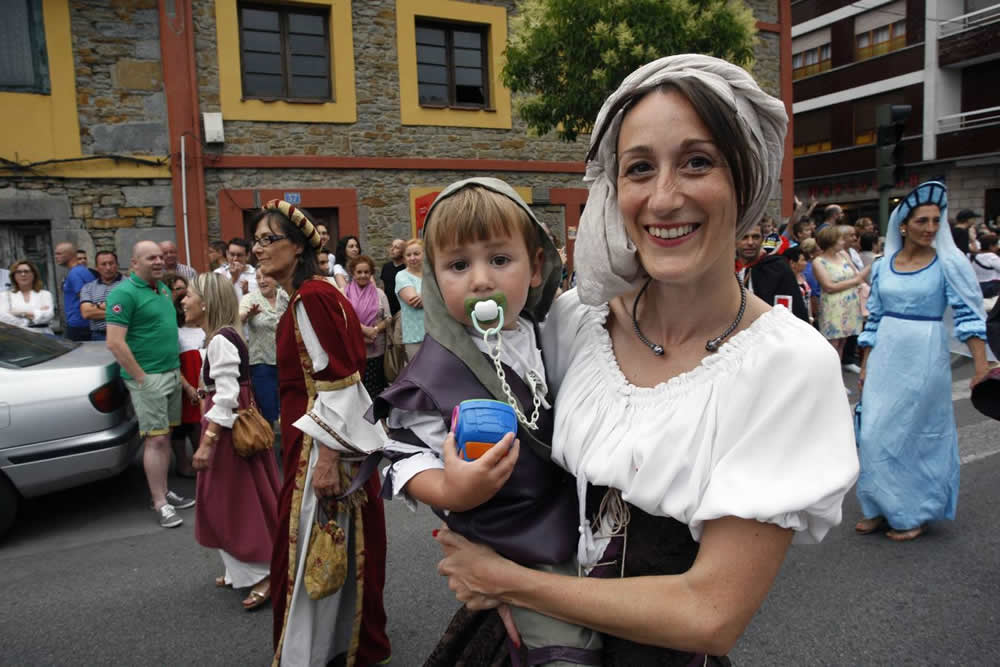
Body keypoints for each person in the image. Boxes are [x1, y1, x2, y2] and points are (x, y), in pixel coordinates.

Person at [431, 54, 859, 665]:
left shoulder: (788, 366)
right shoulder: (578, 318)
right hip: (530, 637)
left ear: (745, 179)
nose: (663, 197)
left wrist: (506, 580)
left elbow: (709, 613)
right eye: (639, 168)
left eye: (697, 162)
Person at [374, 178, 600, 665]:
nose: (480, 280)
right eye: (458, 265)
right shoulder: (435, 371)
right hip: (514, 544)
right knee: (566, 651)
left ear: (536, 266)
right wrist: (453, 490)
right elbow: (402, 456)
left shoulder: (548, 333)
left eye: (499, 260)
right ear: (433, 279)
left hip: (582, 527)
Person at [253, 201, 391, 667]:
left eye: (268, 240)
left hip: (319, 446)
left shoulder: (312, 297)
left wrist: (328, 460)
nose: (258, 249)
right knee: (337, 548)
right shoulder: (317, 293)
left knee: (313, 548)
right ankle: (340, 646)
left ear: (297, 247)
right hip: (317, 439)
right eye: (256, 240)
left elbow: (339, 380)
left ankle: (310, 654)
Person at [855, 181, 989, 541]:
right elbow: (875, 316)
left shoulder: (947, 265)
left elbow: (968, 315)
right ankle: (879, 505)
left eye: (935, 221)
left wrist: (981, 366)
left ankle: (910, 512)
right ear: (903, 224)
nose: (930, 228)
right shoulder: (883, 266)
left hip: (924, 354)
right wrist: (866, 363)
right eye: (922, 221)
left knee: (912, 435)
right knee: (872, 433)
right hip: (885, 353)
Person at [184, 272, 281, 609]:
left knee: (233, 502)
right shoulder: (218, 337)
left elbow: (226, 396)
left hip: (227, 432)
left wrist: (208, 442)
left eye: (189, 295)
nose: (183, 300)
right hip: (226, 426)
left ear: (206, 303)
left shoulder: (220, 341)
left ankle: (264, 572)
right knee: (232, 499)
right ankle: (240, 569)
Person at [106, 241, 194, 528]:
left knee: (165, 436)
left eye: (160, 256)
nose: (158, 261)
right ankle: (159, 502)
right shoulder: (123, 293)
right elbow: (115, 342)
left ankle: (164, 490)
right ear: (134, 264)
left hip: (170, 373)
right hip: (149, 378)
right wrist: (142, 380)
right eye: (150, 258)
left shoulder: (164, 289)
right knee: (156, 440)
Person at [812, 226, 869, 362]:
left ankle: (839, 375)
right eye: (840, 239)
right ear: (831, 241)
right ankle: (830, 375)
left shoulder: (843, 254)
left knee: (843, 342)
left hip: (850, 305)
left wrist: (870, 267)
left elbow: (856, 274)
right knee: (833, 344)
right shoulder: (818, 262)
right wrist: (854, 281)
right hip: (833, 307)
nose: (843, 242)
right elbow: (829, 287)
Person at [239, 269, 288, 425]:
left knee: (289, 409)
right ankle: (271, 447)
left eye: (265, 276)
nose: (261, 281)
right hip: (262, 364)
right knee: (268, 413)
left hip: (287, 362)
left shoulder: (284, 295)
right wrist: (248, 315)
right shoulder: (250, 298)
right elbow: (238, 319)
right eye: (258, 278)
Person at [736, 222, 809, 321]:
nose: (750, 242)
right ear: (735, 240)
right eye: (744, 237)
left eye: (755, 237)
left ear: (762, 240)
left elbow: (793, 310)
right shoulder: (728, 271)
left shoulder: (777, 268)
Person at [344, 255, 392, 399]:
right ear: (353, 273)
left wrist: (376, 330)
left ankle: (376, 419)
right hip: (353, 349)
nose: (363, 275)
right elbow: (343, 318)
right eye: (359, 272)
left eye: (366, 272)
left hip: (376, 349)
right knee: (356, 389)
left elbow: (389, 318)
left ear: (371, 273)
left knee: (375, 387)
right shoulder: (344, 293)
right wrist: (364, 330)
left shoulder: (379, 294)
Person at [170, 274, 202, 480]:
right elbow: (173, 362)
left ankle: (201, 461)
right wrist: (188, 387)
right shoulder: (175, 331)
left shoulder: (203, 328)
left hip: (201, 383)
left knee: (200, 423)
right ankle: (182, 464)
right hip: (184, 384)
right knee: (181, 427)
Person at [79, 251, 125, 341]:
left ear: (117, 265)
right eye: (103, 264)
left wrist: (98, 306)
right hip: (99, 336)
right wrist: (118, 311)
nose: (108, 268)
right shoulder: (88, 287)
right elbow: (87, 313)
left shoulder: (130, 284)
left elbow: (133, 310)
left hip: (126, 334)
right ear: (97, 267)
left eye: (111, 263)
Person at [1, 260, 54, 334]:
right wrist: (27, 321)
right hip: (21, 337)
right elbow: (3, 318)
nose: (23, 274)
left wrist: (21, 313)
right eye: (18, 272)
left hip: (45, 335)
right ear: (14, 276)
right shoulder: (5, 295)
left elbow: (48, 315)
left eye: (26, 271)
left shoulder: (45, 294)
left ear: (34, 274)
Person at [57, 241, 95, 341]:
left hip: (78, 325)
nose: (56, 257)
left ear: (69, 255)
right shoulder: (83, 270)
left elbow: (84, 298)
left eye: (59, 253)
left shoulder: (74, 273)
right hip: (84, 323)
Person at [395, 238, 426, 360]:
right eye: (408, 255)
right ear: (404, 258)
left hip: (438, 333)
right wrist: (435, 294)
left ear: (424, 254)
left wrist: (424, 296)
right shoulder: (402, 275)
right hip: (415, 336)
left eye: (416, 254)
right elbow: (414, 301)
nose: (412, 258)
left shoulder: (432, 274)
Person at [784, 246, 813, 324]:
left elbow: (808, 300)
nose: (806, 263)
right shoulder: (786, 282)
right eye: (803, 260)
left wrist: (810, 317)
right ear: (792, 263)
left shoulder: (802, 276)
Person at [380, 238, 407, 315]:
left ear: (403, 251)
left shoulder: (407, 268)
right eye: (392, 246)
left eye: (396, 247)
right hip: (388, 309)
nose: (392, 249)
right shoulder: (386, 267)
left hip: (401, 310)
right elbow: (383, 287)